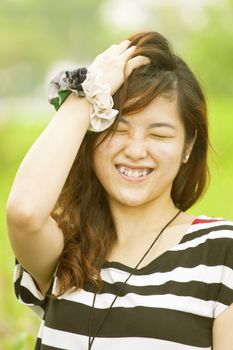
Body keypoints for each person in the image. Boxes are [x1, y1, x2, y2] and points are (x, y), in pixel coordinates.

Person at [6, 31, 233, 350]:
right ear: (90, 138)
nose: (136, 150)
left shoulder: (222, 252)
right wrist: (87, 91)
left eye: (159, 135)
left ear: (188, 146)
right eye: (117, 128)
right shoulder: (66, 250)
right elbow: (24, 213)